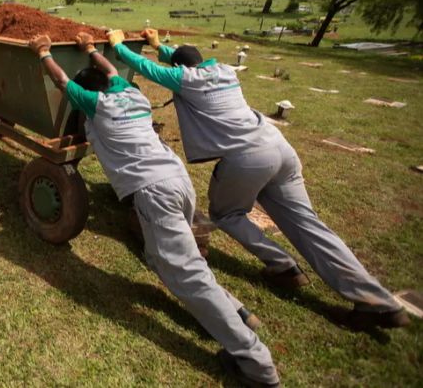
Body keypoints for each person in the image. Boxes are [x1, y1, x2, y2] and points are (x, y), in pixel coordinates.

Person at [109, 28, 409, 330]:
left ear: (182, 69)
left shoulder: (186, 79)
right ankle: (377, 301)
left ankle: (282, 265)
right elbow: (182, 60)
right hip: (279, 148)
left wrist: (119, 47)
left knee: (226, 214)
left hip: (248, 158)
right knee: (309, 225)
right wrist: (159, 45)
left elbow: (149, 69)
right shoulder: (224, 70)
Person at [28, 33, 281, 387]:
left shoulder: (97, 105)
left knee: (184, 273)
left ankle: (256, 364)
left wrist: (42, 52)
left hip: (154, 191)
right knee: (178, 260)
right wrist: (89, 50)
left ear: (93, 95)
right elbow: (111, 71)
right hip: (178, 180)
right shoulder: (134, 95)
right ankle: (238, 311)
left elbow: (60, 79)